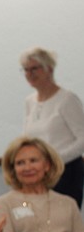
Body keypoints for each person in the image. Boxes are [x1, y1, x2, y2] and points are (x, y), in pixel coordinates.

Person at [0, 136, 84, 232]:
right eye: (20, 163)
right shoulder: (4, 203)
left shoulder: (68, 203)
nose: (27, 168)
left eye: (33, 160)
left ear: (47, 165)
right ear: (13, 170)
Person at [21, 47, 84, 208]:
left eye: (35, 68)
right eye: (26, 70)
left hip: (65, 173)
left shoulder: (67, 99)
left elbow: (82, 138)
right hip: (36, 174)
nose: (30, 74)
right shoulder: (30, 102)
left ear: (49, 69)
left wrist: (55, 161)